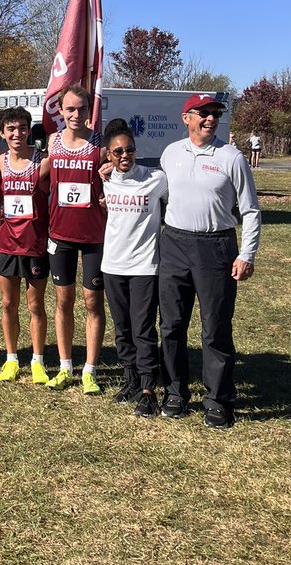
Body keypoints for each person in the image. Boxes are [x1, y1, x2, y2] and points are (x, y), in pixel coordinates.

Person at [158, 93, 261, 428]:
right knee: (171, 324)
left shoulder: (231, 157)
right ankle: (175, 392)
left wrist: (246, 254)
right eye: (203, 113)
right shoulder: (171, 153)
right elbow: (153, 193)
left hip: (216, 246)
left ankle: (217, 400)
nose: (210, 119)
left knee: (215, 326)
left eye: (215, 113)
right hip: (174, 243)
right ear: (186, 118)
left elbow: (250, 210)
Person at [99, 119, 168, 418]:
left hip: (144, 266)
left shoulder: (156, 179)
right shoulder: (104, 179)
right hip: (112, 264)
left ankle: (149, 389)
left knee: (143, 328)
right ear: (108, 155)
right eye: (118, 152)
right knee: (122, 328)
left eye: (129, 150)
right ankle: (131, 380)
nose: (124, 155)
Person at [45, 83, 107, 395]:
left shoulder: (100, 144)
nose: (75, 114)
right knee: (63, 299)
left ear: (88, 111)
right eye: (70, 109)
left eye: (81, 109)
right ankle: (65, 365)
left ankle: (90, 370)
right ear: (61, 110)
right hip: (60, 234)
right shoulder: (52, 142)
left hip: (94, 234)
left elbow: (116, 177)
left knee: (92, 300)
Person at [0, 106, 51, 384]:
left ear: (29, 130)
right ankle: (11, 358)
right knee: (8, 303)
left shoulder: (43, 161)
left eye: (22, 128)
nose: (17, 133)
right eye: (11, 129)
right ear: (2, 133)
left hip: (35, 244)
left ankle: (38, 361)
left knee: (35, 304)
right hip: (6, 244)